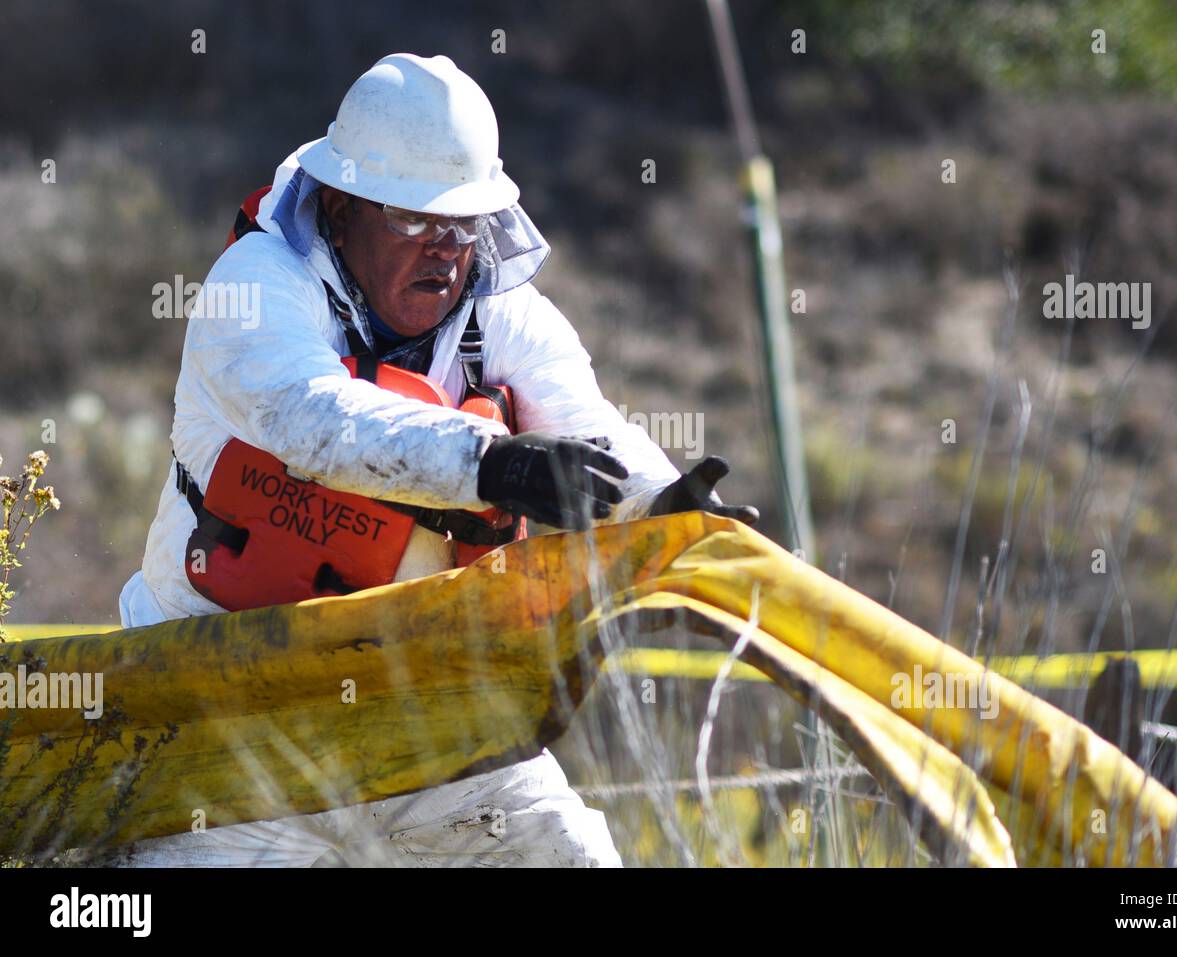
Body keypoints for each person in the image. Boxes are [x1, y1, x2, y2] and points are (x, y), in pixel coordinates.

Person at [114, 53, 757, 867]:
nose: (445, 250)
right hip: (211, 698)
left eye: (463, 225)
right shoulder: (254, 285)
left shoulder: (505, 315)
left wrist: (663, 504)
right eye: (414, 221)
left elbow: (590, 432)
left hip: (416, 701)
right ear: (341, 208)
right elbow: (310, 417)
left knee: (577, 858)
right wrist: (489, 463)